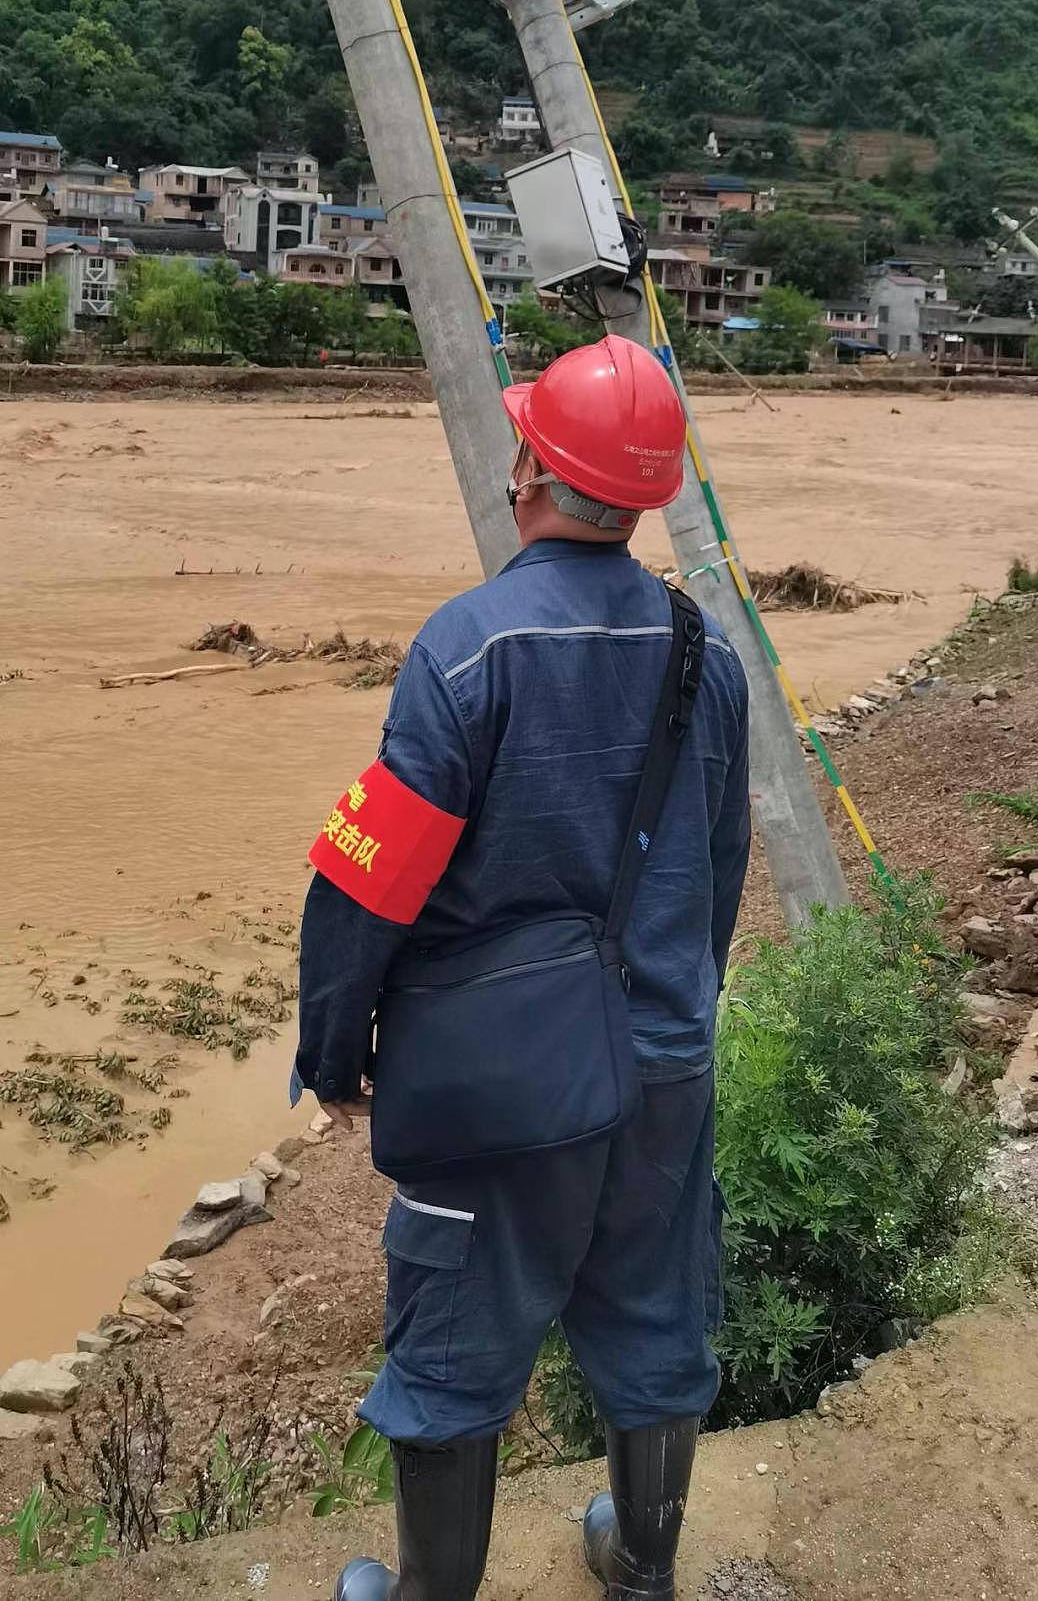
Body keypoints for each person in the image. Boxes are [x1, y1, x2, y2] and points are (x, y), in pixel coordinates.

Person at [293, 335, 751, 1601]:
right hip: (661, 1069)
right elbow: (718, 876)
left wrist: (334, 1051)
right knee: (657, 1317)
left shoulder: (466, 648)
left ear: (535, 468)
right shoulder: (704, 655)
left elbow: (363, 877)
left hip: (503, 1090)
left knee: (454, 1345)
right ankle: (639, 1566)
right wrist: (665, 1026)